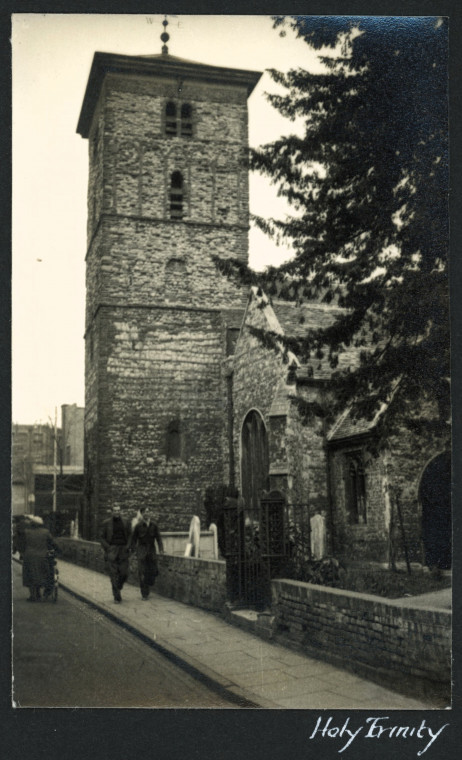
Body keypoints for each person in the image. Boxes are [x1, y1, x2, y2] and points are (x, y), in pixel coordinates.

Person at [22, 515, 60, 602]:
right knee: (40, 573)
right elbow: (53, 543)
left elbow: (22, 544)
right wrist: (58, 551)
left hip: (29, 556)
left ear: (32, 524)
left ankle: (33, 595)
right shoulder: (46, 532)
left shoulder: (26, 532)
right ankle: (39, 592)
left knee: (30, 575)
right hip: (42, 556)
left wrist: (22, 552)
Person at [129, 507, 164, 600]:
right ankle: (144, 593)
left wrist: (161, 549)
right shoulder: (138, 526)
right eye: (145, 512)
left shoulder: (154, 525)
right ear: (142, 514)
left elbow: (159, 538)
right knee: (142, 572)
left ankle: (149, 585)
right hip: (141, 550)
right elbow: (133, 539)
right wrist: (133, 550)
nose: (147, 514)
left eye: (148, 512)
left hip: (151, 550)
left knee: (153, 571)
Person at [99, 505, 131, 603]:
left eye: (118, 510)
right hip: (112, 549)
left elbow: (130, 535)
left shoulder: (126, 521)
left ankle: (119, 585)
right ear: (112, 512)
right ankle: (117, 597)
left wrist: (128, 546)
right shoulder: (106, 523)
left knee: (124, 573)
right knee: (113, 574)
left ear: (120, 511)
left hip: (123, 550)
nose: (117, 512)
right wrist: (108, 548)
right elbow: (101, 537)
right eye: (115, 510)